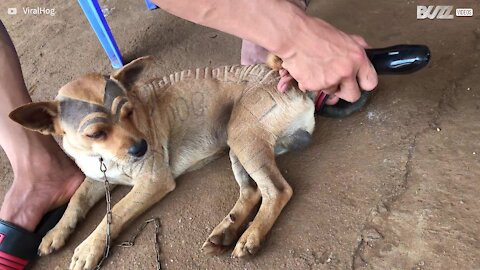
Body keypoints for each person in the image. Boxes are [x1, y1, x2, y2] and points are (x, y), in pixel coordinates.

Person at [0, 0, 377, 266]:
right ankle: (245, 204)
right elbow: (98, 174)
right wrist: (70, 220)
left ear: (127, 90)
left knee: (241, 135)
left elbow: (157, 182)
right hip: (236, 115)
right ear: (51, 126)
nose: (132, 140)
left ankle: (272, 198)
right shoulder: (68, 129)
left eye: (128, 114)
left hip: (259, 96)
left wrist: (99, 236)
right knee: (236, 140)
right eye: (100, 133)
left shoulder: (126, 131)